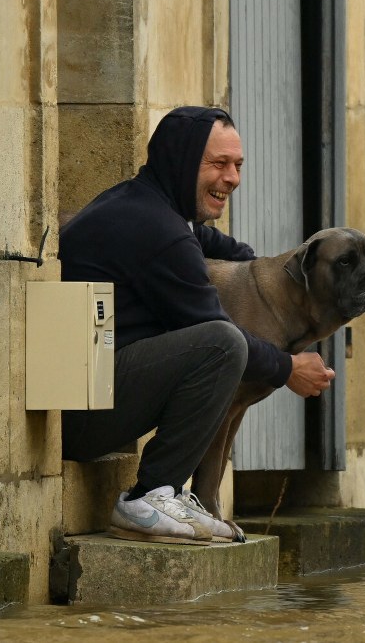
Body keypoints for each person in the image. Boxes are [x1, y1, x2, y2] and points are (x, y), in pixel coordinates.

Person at [60, 106, 335, 545]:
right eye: (218, 164)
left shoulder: (143, 202)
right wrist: (287, 368)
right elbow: (213, 324)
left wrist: (255, 265)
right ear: (182, 161)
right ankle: (150, 494)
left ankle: (169, 493)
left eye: (238, 166)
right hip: (78, 418)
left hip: (88, 399)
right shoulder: (158, 231)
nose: (232, 178)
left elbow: (208, 240)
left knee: (221, 341)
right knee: (222, 345)